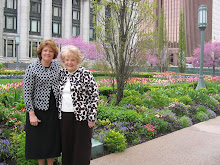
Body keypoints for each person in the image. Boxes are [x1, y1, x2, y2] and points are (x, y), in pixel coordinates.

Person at [58, 45, 99, 165]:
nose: (69, 63)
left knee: (81, 147)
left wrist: (91, 117)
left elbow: (94, 95)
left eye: (72, 60)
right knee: (67, 146)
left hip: (82, 117)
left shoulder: (85, 73)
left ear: (78, 60)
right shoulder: (62, 73)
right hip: (64, 116)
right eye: (66, 59)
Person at [23, 39, 61, 165]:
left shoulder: (57, 66)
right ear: (41, 52)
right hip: (38, 110)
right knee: (39, 142)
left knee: (51, 140)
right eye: (45, 50)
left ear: (54, 53)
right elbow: (27, 92)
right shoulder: (32, 68)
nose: (48, 53)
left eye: (50, 51)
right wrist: (31, 114)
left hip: (53, 109)